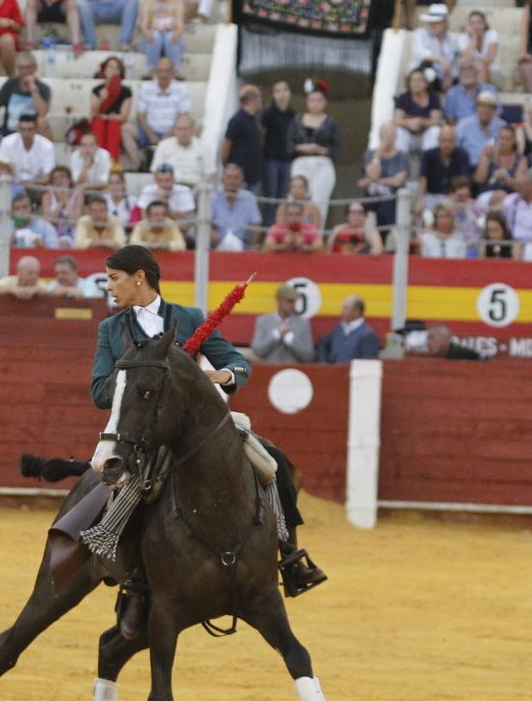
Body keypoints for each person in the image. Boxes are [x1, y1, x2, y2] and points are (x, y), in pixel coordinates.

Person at [91, 245, 328, 612]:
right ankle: (136, 584)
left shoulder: (188, 318)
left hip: (199, 430)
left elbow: (237, 361)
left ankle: (289, 556)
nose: (108, 286)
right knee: (135, 488)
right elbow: (98, 390)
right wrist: (137, 379)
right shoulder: (111, 329)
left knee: (271, 462)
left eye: (113, 278)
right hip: (145, 434)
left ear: (139, 276)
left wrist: (224, 374)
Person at [289, 83, 339, 226]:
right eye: (312, 100)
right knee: (296, 199)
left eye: (319, 100)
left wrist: (321, 150)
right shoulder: (297, 120)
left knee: (319, 203)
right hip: (301, 162)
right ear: (307, 101)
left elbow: (335, 148)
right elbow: (289, 144)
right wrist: (302, 147)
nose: (315, 104)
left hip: (322, 164)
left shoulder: (331, 122)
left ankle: (315, 237)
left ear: (324, 102)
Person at [0, 51, 53, 139]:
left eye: (27, 68)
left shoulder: (43, 88)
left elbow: (42, 112)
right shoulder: (10, 84)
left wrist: (33, 87)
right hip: (9, 129)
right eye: (21, 68)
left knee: (43, 122)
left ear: (35, 68)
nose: (24, 71)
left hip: (32, 131)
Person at [137, 56, 193, 153]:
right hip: (149, 132)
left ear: (173, 72)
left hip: (174, 133)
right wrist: (151, 135)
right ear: (156, 72)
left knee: (194, 127)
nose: (163, 74)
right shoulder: (146, 87)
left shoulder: (181, 89)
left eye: (166, 71)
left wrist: (169, 135)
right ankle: (137, 165)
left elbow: (183, 116)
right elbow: (141, 116)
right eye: (160, 71)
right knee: (126, 130)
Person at [360, 122, 408, 231]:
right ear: (380, 137)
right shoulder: (370, 154)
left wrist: (373, 181)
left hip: (393, 197)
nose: (388, 139)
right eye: (385, 136)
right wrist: (377, 155)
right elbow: (373, 174)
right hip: (372, 197)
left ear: (396, 137)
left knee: (386, 209)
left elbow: (397, 182)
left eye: (391, 136)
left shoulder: (402, 156)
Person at [260, 80, 297, 220]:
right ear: (273, 95)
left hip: (287, 160)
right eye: (278, 91)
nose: (282, 94)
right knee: (270, 198)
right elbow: (262, 135)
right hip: (271, 159)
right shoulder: (268, 113)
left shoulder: (293, 114)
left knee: (283, 199)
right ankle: (268, 231)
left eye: (285, 90)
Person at [90, 55, 137, 163]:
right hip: (100, 121)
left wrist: (107, 116)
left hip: (115, 122)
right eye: (110, 67)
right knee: (98, 123)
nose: (113, 71)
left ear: (120, 72)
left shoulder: (126, 91)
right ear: (105, 70)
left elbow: (123, 116)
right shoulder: (97, 90)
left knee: (113, 124)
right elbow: (93, 113)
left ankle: (112, 162)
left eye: (117, 68)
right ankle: (97, 160)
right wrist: (101, 99)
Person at [252, 284, 316, 363]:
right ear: (279, 301)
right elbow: (257, 351)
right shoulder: (263, 321)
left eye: (294, 302)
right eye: (289, 301)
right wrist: (276, 335)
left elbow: (308, 355)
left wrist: (291, 339)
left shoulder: (302, 323)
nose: (293, 305)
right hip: (269, 372)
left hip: (293, 372)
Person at [139, 0, 186, 72]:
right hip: (153, 36)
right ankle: (152, 70)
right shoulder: (148, 2)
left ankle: (175, 70)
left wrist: (177, 34)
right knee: (154, 37)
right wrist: (148, 34)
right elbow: (143, 25)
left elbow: (180, 24)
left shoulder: (177, 1)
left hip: (171, 34)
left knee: (170, 37)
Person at [220, 84, 264, 192]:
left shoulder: (253, 120)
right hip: (240, 179)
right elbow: (226, 146)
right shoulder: (237, 120)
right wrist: (230, 168)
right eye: (259, 96)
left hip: (252, 176)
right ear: (253, 98)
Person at [393, 68, 445, 155]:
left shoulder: (433, 98)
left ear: (426, 84)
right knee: (399, 132)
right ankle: (401, 166)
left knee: (435, 131)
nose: (415, 83)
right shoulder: (403, 98)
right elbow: (397, 120)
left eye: (419, 80)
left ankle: (429, 165)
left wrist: (422, 122)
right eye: (413, 80)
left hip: (426, 135)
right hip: (409, 136)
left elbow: (437, 120)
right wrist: (409, 123)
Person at [211, 164, 263, 249]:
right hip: (218, 244)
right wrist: (221, 241)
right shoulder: (213, 197)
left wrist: (253, 246)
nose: (232, 181)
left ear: (242, 181)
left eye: (236, 177)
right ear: (222, 180)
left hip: (242, 245)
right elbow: (205, 224)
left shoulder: (249, 197)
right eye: (229, 177)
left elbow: (256, 224)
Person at [315, 296, 381, 363]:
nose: (342, 311)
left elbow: (367, 363)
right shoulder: (338, 328)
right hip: (333, 372)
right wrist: (324, 365)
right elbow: (323, 345)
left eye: (345, 308)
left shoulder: (368, 334)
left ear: (356, 311)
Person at [0, 114, 57, 183]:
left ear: (36, 129)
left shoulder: (47, 146)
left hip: (38, 186)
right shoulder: (7, 142)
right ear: (18, 129)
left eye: (30, 130)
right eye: (23, 130)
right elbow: (1, 168)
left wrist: (32, 183)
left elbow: (48, 175)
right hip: (12, 185)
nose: (26, 133)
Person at [414, 4, 465, 84]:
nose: (432, 25)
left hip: (444, 77)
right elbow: (421, 54)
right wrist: (441, 60)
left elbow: (455, 62)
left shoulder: (453, 40)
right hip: (423, 77)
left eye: (436, 22)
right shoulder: (421, 34)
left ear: (446, 23)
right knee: (427, 68)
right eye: (431, 22)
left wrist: (450, 76)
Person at [456, 91, 505, 168]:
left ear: (494, 110)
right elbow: (455, 148)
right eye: (482, 106)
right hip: (470, 167)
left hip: (495, 167)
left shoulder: (502, 126)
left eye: (490, 107)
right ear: (476, 107)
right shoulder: (464, 125)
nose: (486, 110)